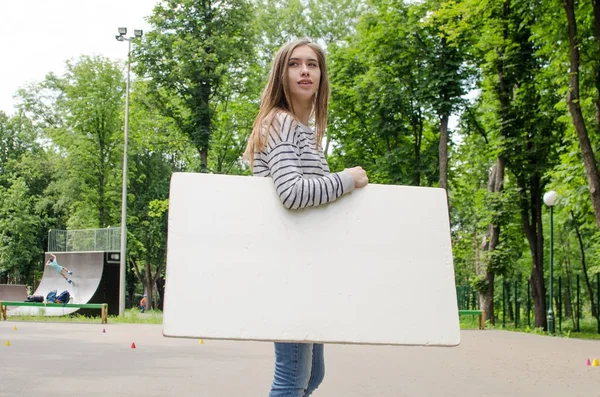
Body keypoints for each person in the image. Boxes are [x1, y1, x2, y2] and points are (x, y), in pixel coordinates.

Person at [244, 38, 368, 397]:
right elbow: (292, 194)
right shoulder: (279, 122)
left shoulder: (303, 132)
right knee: (292, 379)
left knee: (310, 377)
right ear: (281, 74)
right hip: (289, 268)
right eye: (295, 64)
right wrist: (348, 179)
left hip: (307, 267)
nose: (304, 71)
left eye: (312, 65)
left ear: (321, 75)